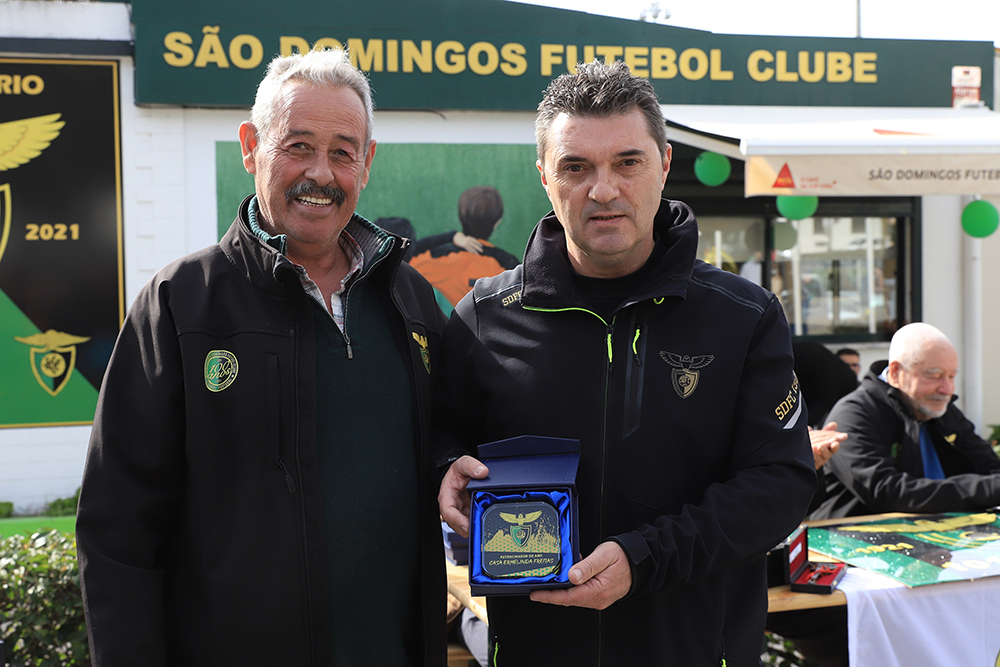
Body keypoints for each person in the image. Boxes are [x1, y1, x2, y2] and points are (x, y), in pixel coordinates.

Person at [434, 60, 815, 666]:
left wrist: (644, 559)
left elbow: (781, 485)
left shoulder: (742, 316)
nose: (603, 190)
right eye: (575, 167)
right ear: (544, 176)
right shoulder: (483, 318)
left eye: (627, 163)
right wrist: (444, 465)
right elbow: (440, 435)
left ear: (664, 165)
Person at [76, 49, 448, 666]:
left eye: (342, 151)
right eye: (297, 146)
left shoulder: (410, 301)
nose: (321, 174)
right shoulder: (179, 307)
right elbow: (118, 536)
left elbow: (451, 439)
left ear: (368, 162)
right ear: (252, 146)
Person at [813, 322, 1000, 519]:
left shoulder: (941, 408)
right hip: (851, 542)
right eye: (935, 376)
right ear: (895, 373)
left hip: (942, 538)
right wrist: (988, 490)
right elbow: (888, 493)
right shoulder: (854, 415)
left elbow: (988, 466)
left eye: (952, 376)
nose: (947, 389)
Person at [410, 185, 519, 307]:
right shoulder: (509, 268)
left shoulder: (429, 260)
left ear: (461, 217)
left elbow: (406, 253)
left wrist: (450, 236)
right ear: (497, 222)